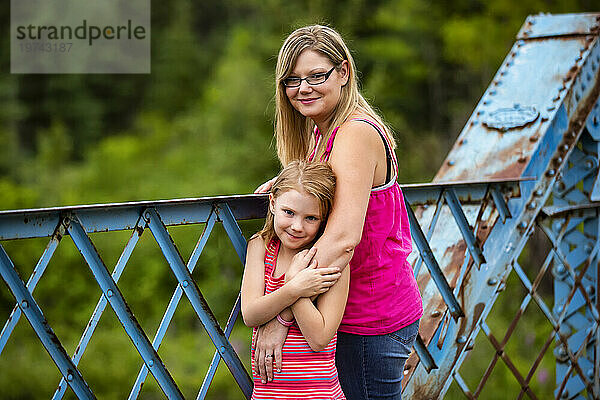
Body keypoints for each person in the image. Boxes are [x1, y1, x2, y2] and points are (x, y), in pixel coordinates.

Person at [254, 25, 423, 399]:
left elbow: (344, 239)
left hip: (370, 313)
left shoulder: (354, 133)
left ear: (344, 72)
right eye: (293, 80)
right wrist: (292, 188)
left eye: (317, 76)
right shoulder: (324, 133)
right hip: (348, 307)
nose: (304, 88)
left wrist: (280, 311)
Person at [241, 160, 349, 399]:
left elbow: (319, 338)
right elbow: (250, 314)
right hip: (268, 393)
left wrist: (295, 286)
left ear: (324, 219)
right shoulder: (261, 247)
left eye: (311, 218)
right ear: (272, 203)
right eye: (288, 213)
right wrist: (294, 288)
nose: (297, 226)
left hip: (318, 393)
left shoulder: (329, 260)